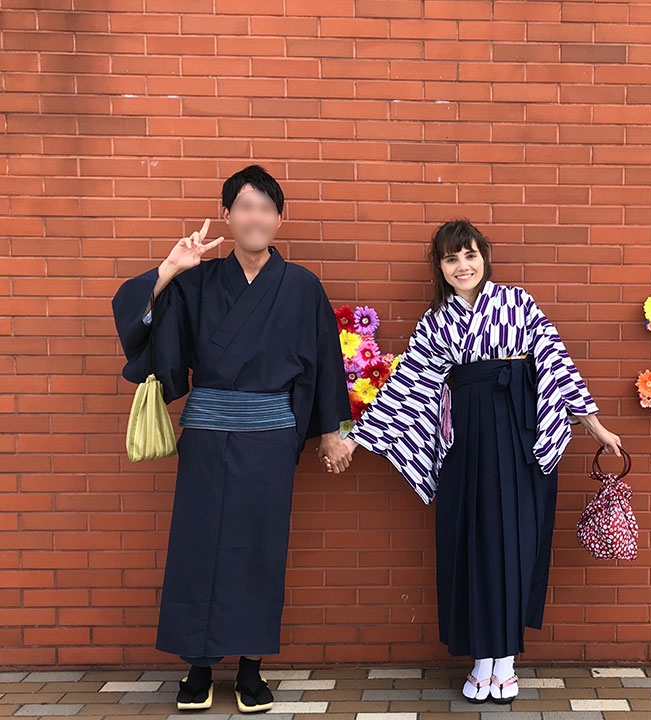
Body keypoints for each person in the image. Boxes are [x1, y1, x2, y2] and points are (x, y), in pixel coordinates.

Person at [342, 220, 622, 704]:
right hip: (466, 440)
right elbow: (409, 385)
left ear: (484, 258)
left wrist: (592, 423)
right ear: (441, 269)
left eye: (469, 255)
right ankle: (480, 660)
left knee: (515, 540)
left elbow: (555, 359)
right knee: (469, 540)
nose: (463, 266)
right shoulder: (435, 322)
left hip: (520, 432)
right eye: (451, 259)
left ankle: (506, 660)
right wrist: (355, 440)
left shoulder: (518, 303)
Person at [111, 165, 353, 713]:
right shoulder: (197, 280)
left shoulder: (302, 286)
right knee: (198, 547)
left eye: (266, 208)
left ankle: (249, 670)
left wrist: (331, 432)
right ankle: (197, 669)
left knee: (257, 550)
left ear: (278, 218)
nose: (255, 217)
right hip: (206, 434)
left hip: (269, 438)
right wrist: (170, 269)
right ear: (227, 214)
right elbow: (142, 325)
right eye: (244, 206)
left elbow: (323, 362)